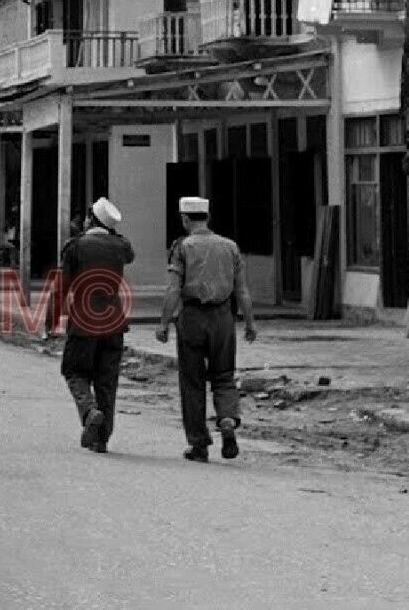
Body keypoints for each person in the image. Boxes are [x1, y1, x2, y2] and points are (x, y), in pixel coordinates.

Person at [155, 195, 257, 463]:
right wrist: (249, 323)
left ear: (185, 219)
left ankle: (199, 444)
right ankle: (226, 419)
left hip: (192, 318)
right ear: (208, 217)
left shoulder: (182, 247)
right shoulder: (230, 246)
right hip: (223, 317)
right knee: (223, 375)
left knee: (192, 382)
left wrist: (164, 323)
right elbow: (242, 290)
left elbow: (173, 289)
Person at [46, 197, 134, 454]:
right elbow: (129, 253)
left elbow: (61, 287)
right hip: (114, 320)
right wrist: (111, 231)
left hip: (84, 318)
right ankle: (102, 439)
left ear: (89, 220)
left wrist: (51, 320)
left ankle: (89, 412)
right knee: (107, 381)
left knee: (74, 371)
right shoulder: (120, 246)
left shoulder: (76, 247)